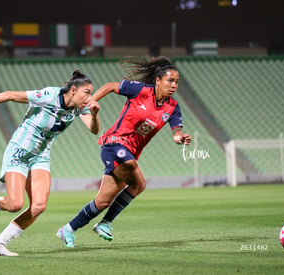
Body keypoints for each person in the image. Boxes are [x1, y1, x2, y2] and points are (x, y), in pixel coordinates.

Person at [57, 56, 191, 248]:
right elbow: (112, 86)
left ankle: (69, 229)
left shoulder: (173, 107)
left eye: (177, 82)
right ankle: (106, 223)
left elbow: (176, 133)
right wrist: (91, 102)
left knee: (103, 202)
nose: (174, 85)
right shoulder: (141, 91)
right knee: (140, 181)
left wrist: (181, 138)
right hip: (114, 144)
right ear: (158, 80)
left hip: (129, 153)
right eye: (170, 80)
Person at [0, 70, 100, 256]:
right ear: (73, 90)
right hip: (19, 151)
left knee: (38, 206)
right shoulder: (49, 95)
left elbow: (93, 130)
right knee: (15, 204)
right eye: (87, 92)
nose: (89, 97)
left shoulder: (79, 108)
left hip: (41, 155)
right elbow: (10, 95)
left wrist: (95, 115)